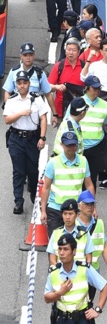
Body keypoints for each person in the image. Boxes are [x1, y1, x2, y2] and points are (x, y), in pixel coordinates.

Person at [63, 75, 107, 189]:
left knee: (91, 179)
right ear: (87, 88)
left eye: (99, 88)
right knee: (75, 178)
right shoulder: (77, 103)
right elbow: (67, 122)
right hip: (78, 147)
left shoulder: (105, 105)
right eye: (94, 88)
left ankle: (89, 205)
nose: (97, 91)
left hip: (96, 148)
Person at [4, 69, 48, 215]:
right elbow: (7, 120)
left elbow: (43, 118)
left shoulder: (37, 99)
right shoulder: (12, 100)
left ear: (29, 84)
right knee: (18, 171)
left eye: (25, 83)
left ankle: (34, 197)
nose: (22, 86)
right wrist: (20, 113)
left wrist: (42, 137)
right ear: (16, 85)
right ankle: (18, 202)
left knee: (33, 171)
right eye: (19, 83)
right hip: (16, 138)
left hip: (32, 139)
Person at [41, 129, 94, 237]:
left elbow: (89, 185)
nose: (71, 148)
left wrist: (93, 208)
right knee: (56, 245)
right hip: (56, 210)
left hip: (76, 210)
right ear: (62, 145)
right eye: (68, 145)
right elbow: (46, 188)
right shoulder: (53, 163)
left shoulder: (83, 161)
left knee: (75, 245)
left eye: (74, 145)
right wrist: (43, 211)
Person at [77, 190, 107, 286]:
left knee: (90, 300)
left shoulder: (99, 224)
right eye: (86, 204)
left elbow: (104, 247)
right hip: (76, 272)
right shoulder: (73, 224)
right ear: (79, 206)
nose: (90, 207)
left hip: (94, 271)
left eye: (92, 204)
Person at [47, 198, 94, 265]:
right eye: (65, 214)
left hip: (80, 274)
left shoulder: (85, 234)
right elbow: (52, 259)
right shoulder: (56, 233)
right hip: (60, 274)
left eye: (70, 214)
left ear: (77, 215)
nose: (67, 217)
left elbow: (89, 259)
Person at [48, 37, 84, 119]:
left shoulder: (84, 66)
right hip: (61, 109)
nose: (71, 53)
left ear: (79, 52)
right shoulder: (59, 66)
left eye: (74, 50)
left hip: (80, 111)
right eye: (68, 49)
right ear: (65, 51)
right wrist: (57, 87)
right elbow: (48, 87)